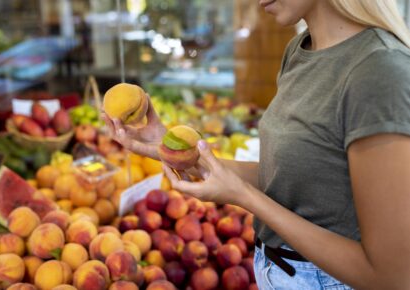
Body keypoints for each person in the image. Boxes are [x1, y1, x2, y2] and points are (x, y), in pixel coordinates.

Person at [103, 0, 410, 288]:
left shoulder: (379, 71)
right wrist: (171, 150)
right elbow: (290, 178)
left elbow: (391, 276)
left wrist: (243, 197)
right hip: (275, 271)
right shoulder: (300, 50)